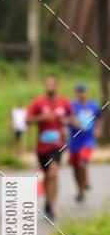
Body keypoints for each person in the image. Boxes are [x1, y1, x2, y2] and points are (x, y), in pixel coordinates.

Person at [26, 76, 73, 221]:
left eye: (53, 83)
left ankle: (52, 205)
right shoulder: (38, 102)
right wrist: (41, 118)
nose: (50, 86)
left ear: (57, 85)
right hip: (42, 147)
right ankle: (48, 199)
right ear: (45, 86)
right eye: (48, 83)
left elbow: (71, 117)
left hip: (57, 145)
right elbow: (28, 120)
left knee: (53, 172)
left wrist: (67, 121)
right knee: (47, 175)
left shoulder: (63, 102)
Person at [69, 83, 102, 202]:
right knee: (75, 167)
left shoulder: (93, 105)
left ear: (87, 92)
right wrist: (72, 121)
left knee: (82, 163)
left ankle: (85, 181)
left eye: (83, 92)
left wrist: (98, 128)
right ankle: (80, 189)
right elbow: (66, 118)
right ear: (76, 94)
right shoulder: (71, 106)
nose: (81, 94)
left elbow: (99, 117)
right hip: (74, 141)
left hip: (88, 140)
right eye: (79, 92)